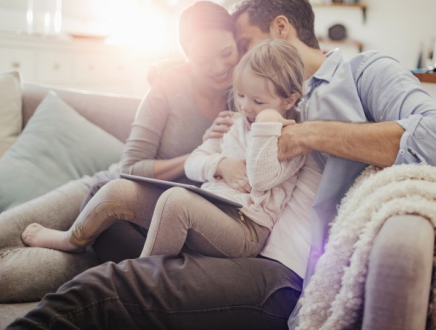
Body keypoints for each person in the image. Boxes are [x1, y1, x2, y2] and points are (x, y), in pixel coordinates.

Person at [6, 0, 436, 329]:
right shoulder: (251, 98)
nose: (234, 64)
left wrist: (306, 135)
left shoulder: (364, 73)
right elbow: (211, 150)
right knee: (115, 209)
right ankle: (41, 254)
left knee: (108, 284)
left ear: (281, 29)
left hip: (278, 265)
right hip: (224, 221)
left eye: (243, 46)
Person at [0, 0, 239, 302]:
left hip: (138, 234)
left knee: (5, 281)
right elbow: (130, 168)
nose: (218, 68)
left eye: (226, 54)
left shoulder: (246, 97)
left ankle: (6, 223)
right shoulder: (168, 87)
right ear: (186, 58)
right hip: (103, 195)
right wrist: (196, 158)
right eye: (202, 60)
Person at [20, 39, 306, 260]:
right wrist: (219, 165)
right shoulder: (234, 123)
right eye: (241, 96)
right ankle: (71, 240)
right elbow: (195, 161)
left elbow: (260, 178)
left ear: (289, 100)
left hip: (245, 228)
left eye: (258, 101)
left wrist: (266, 124)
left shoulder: (294, 138)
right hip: (209, 205)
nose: (246, 107)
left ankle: (138, 279)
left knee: (176, 201)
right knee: (117, 190)